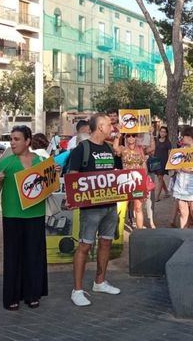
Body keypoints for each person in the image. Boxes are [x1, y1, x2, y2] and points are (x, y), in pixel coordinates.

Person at [68, 113, 122, 307]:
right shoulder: (81, 149)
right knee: (84, 246)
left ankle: (99, 282)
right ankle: (77, 290)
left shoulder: (109, 148)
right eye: (109, 125)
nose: (112, 128)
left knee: (106, 243)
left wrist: (119, 154)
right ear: (100, 127)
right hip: (90, 209)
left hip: (110, 206)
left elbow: (118, 174)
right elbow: (72, 177)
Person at [0, 126, 48, 311]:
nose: (12, 143)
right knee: (13, 256)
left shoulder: (40, 161)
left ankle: (33, 294)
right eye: (11, 139)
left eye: (16, 139)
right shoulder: (5, 162)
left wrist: (53, 173)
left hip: (36, 214)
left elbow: (48, 187)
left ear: (27, 141)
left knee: (34, 255)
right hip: (12, 215)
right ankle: (12, 296)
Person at [121, 132, 156, 229]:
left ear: (136, 137)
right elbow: (115, 147)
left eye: (133, 135)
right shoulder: (123, 149)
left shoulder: (141, 149)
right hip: (126, 182)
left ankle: (139, 232)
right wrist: (117, 136)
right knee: (122, 208)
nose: (131, 137)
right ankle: (118, 233)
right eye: (128, 135)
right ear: (125, 137)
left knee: (138, 207)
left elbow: (152, 148)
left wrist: (151, 134)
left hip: (139, 183)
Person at [153, 126, 172, 201]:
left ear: (166, 133)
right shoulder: (156, 140)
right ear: (159, 132)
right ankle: (167, 192)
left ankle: (157, 196)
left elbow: (170, 153)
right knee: (159, 178)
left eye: (164, 132)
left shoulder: (168, 142)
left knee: (160, 178)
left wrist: (170, 163)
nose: (162, 133)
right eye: (161, 131)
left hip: (164, 162)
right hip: (156, 162)